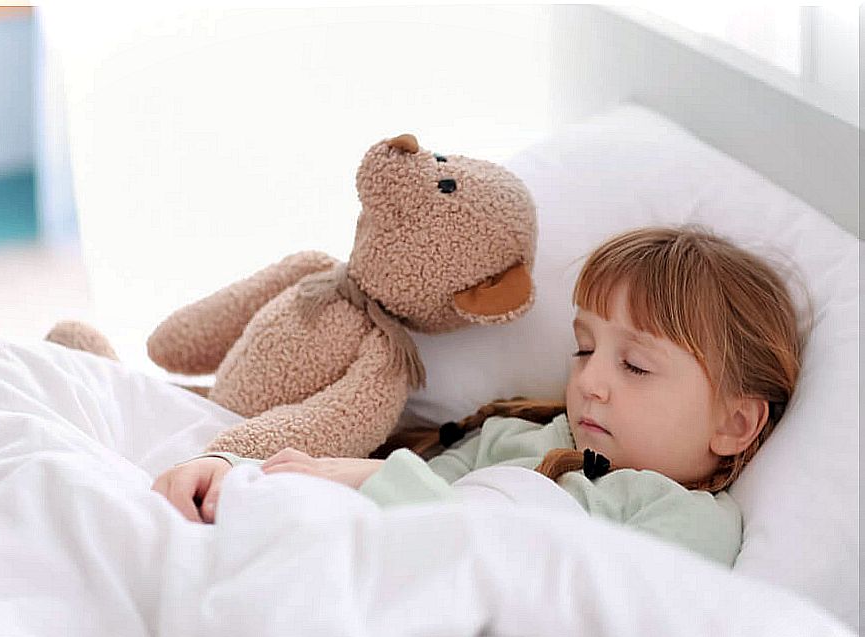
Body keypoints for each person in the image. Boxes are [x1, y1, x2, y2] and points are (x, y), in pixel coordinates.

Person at [152, 225, 803, 567]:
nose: (590, 380)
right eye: (584, 348)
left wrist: (374, 480)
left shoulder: (686, 519)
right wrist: (232, 474)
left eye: (634, 364)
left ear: (736, 422)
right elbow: (357, 488)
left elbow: (588, 597)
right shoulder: (515, 436)